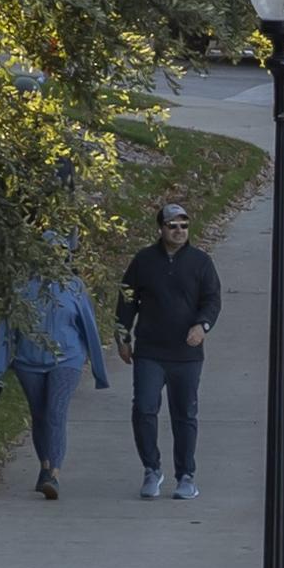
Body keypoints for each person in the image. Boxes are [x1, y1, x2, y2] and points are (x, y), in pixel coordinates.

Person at [115, 198, 220, 501]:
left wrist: (202, 326)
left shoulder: (200, 262)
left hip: (186, 355)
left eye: (184, 226)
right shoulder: (144, 261)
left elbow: (212, 300)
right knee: (144, 409)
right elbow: (127, 300)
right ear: (161, 229)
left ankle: (186, 475)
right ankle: (152, 469)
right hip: (150, 351)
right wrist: (122, 336)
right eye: (172, 226)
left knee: (184, 414)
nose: (179, 231)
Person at [0, 257, 111, 500]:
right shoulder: (21, 286)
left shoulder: (74, 286)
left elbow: (89, 327)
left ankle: (53, 474)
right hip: (28, 361)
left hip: (67, 360)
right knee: (40, 414)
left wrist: (99, 371)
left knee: (55, 412)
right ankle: (44, 466)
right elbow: (7, 328)